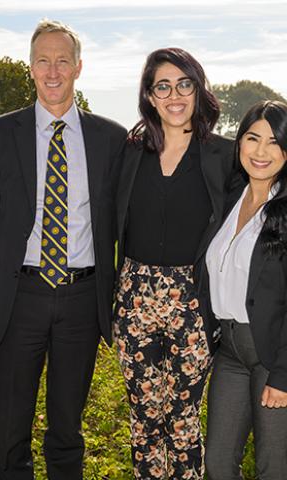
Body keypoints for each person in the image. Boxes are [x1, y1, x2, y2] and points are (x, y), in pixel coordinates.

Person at [0, 19, 126, 480]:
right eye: (43, 60)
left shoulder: (110, 138)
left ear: (78, 67)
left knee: (67, 427)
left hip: (83, 299)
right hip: (20, 293)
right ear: (30, 67)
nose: (52, 70)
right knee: (10, 427)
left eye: (62, 60)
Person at [113, 47, 234, 479]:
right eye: (162, 85)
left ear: (199, 90)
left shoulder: (225, 155)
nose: (175, 95)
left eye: (185, 83)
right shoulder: (130, 152)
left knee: (183, 421)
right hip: (134, 296)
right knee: (144, 423)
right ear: (149, 95)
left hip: (192, 300)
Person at [202, 100, 287, 479]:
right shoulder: (230, 196)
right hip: (229, 350)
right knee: (218, 464)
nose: (261, 151)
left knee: (273, 468)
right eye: (253, 138)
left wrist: (284, 375)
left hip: (273, 354)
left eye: (274, 141)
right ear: (239, 143)